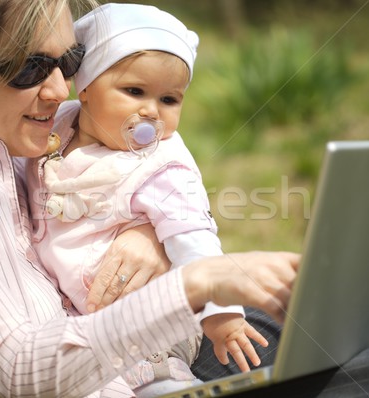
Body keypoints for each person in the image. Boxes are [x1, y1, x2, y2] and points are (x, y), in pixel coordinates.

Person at [0, 1, 369, 398]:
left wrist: (147, 235)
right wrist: (197, 282)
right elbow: (18, 370)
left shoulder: (7, 134)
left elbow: (107, 189)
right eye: (29, 68)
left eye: (69, 61)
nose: (59, 88)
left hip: (153, 349)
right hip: (123, 380)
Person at [25, 4, 266, 396]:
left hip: (149, 324)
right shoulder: (56, 128)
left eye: (170, 100)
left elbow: (196, 242)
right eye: (134, 91)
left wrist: (223, 315)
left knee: (156, 384)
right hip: (75, 315)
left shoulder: (161, 166)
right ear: (84, 87)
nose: (151, 111)